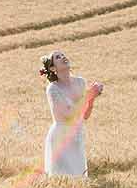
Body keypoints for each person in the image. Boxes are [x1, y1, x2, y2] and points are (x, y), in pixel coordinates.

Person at [41, 50, 104, 178]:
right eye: (58, 57)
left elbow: (84, 115)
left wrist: (92, 98)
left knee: (80, 179)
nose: (63, 57)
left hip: (77, 135)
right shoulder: (52, 89)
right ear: (53, 68)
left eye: (63, 55)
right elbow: (67, 114)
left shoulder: (80, 82)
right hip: (60, 138)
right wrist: (89, 95)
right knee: (61, 180)